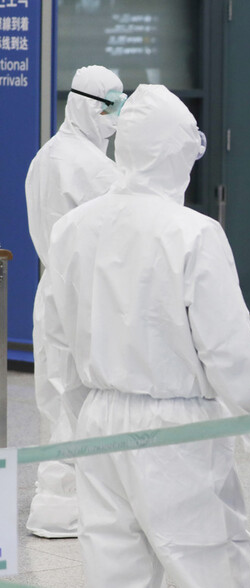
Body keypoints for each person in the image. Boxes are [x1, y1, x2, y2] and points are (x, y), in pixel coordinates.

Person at [42, 84, 250, 588]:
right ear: (176, 150)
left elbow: (57, 344)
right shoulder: (193, 233)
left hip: (98, 421)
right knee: (207, 565)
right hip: (177, 429)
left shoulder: (73, 229)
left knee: (114, 570)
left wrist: (82, 413)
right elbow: (227, 351)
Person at [23, 64, 125, 539]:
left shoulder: (46, 156)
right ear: (84, 103)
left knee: (56, 399)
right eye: (108, 104)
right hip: (88, 301)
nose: (114, 115)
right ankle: (74, 504)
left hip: (53, 295)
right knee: (82, 401)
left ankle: (56, 499)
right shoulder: (93, 167)